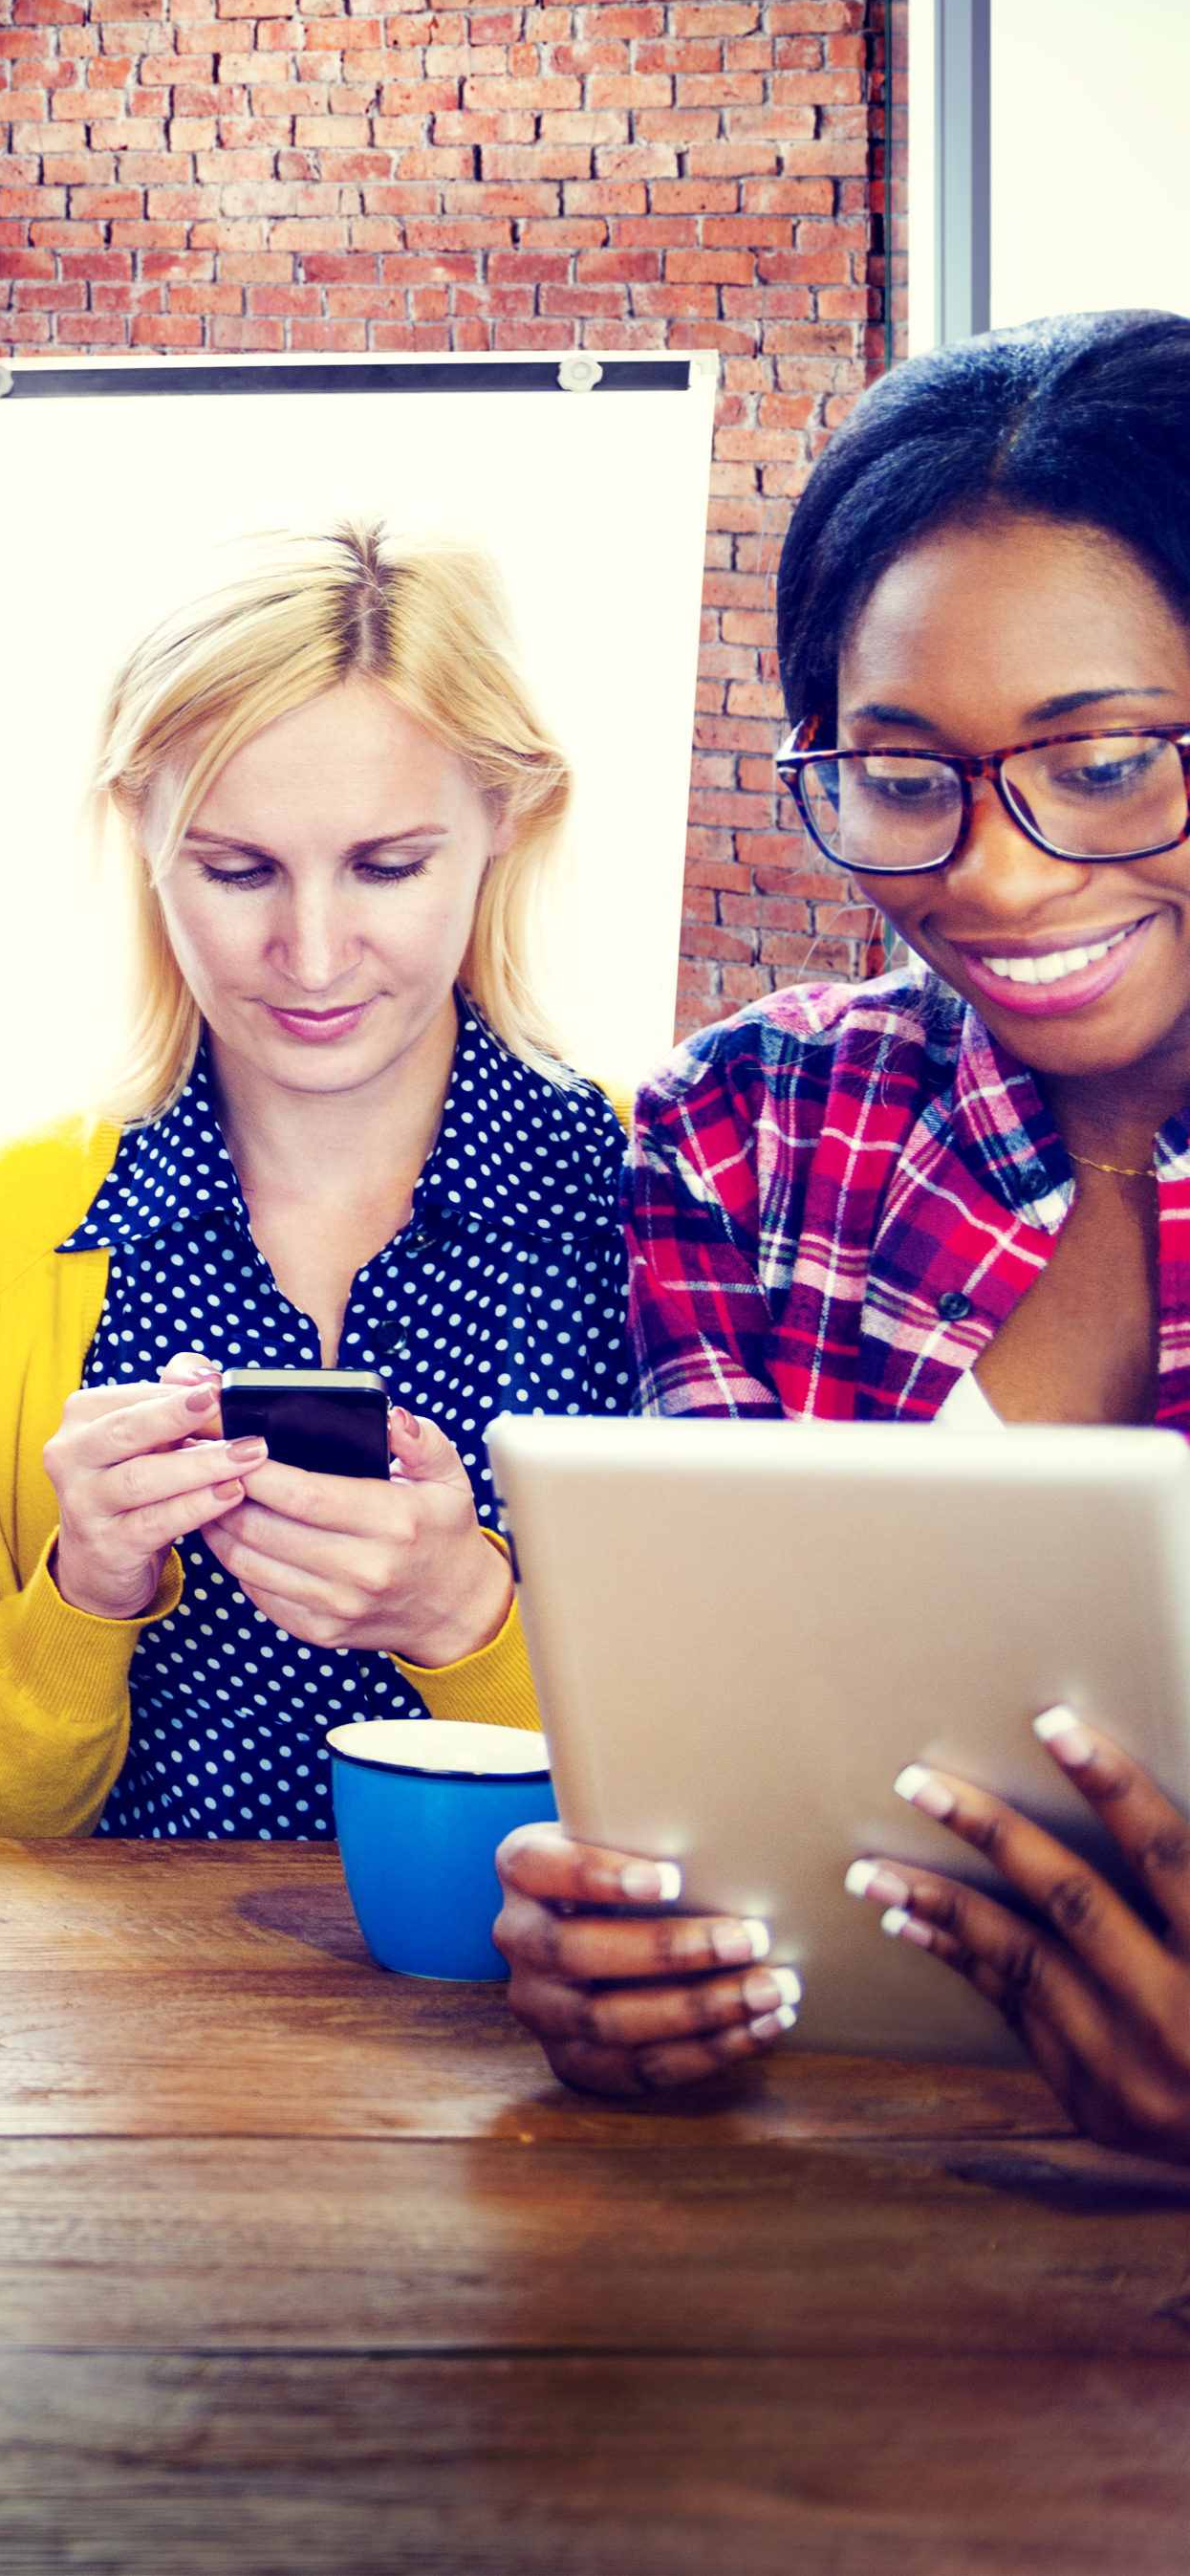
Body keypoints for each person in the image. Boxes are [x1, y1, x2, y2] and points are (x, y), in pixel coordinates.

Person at [503, 309, 1190, 2146]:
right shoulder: (754, 1128)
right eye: (903, 776)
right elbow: (716, 1777)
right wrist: (625, 1943)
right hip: (834, 2225)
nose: (1000, 869)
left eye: (1110, 757)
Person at [0, 522, 621, 1840]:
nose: (313, 953)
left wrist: (467, 1619)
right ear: (142, 832)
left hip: (555, 2032)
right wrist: (84, 1591)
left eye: (389, 865)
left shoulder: (668, 1204)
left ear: (509, 815)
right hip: (124, 2042)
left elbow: (743, 1807)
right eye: (237, 870)